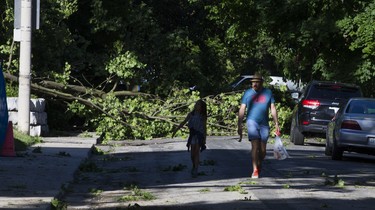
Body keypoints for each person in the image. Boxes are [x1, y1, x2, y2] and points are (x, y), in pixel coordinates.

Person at [237, 72, 280, 179]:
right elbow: (242, 108)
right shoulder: (247, 93)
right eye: (253, 82)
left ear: (261, 83)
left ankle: (259, 163)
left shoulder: (268, 93)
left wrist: (276, 123)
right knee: (255, 147)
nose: (254, 84)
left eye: (256, 82)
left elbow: (273, 108)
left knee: (263, 150)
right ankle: (255, 169)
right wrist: (239, 124)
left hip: (264, 123)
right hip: (252, 121)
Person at [172, 99, 207, 178]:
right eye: (196, 104)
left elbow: (204, 128)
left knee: (196, 152)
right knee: (192, 154)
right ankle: (194, 166)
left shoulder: (203, 116)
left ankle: (196, 169)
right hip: (192, 135)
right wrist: (176, 130)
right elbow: (184, 122)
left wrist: (204, 138)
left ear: (201, 107)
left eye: (198, 104)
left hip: (199, 135)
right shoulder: (191, 114)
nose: (196, 105)